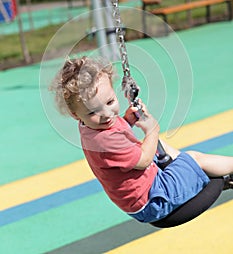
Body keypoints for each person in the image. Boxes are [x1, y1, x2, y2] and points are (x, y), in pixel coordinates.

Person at [50, 55, 233, 223]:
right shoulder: (103, 140)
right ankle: (208, 173)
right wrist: (152, 129)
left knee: (166, 149)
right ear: (75, 115)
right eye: (93, 112)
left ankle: (196, 177)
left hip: (144, 195)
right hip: (153, 200)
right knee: (194, 158)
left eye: (110, 102)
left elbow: (116, 133)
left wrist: (129, 120)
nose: (106, 114)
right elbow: (144, 160)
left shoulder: (90, 125)